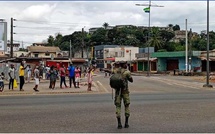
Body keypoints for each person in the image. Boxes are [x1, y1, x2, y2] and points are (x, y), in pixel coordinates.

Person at [113, 61, 133, 129]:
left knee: (118, 107)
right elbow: (131, 80)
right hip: (125, 92)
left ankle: (119, 124)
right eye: (126, 64)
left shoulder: (116, 71)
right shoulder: (127, 72)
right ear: (123, 65)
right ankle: (126, 123)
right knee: (127, 106)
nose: (127, 65)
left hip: (118, 92)